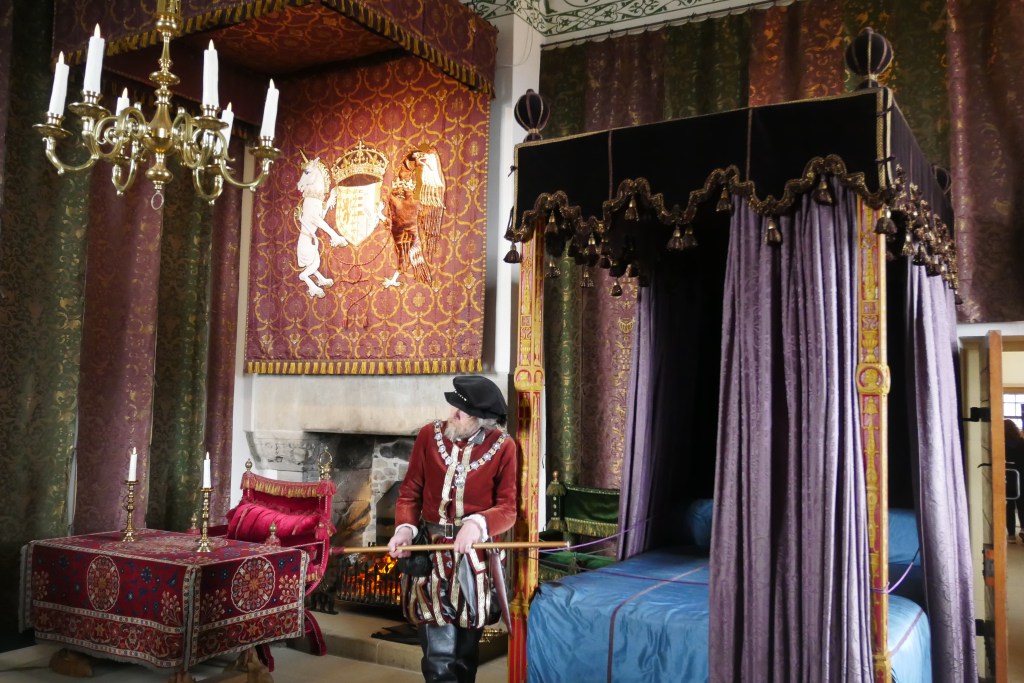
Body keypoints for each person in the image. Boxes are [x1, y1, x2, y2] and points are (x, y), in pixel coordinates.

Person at [387, 375, 518, 683]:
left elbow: (508, 509)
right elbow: (410, 492)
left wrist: (477, 524)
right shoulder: (428, 435)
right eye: (454, 407)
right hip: (431, 555)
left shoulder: (504, 447)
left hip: (475, 560)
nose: (453, 414)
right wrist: (404, 529)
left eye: (463, 411)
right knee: (439, 656)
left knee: (465, 656)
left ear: (482, 420)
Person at [1006, 419, 1024, 543]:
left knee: (1009, 506)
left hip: (1008, 477)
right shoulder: (1021, 442)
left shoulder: (1001, 444)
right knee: (1022, 504)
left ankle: (1011, 534)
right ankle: (1023, 529)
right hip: (1021, 476)